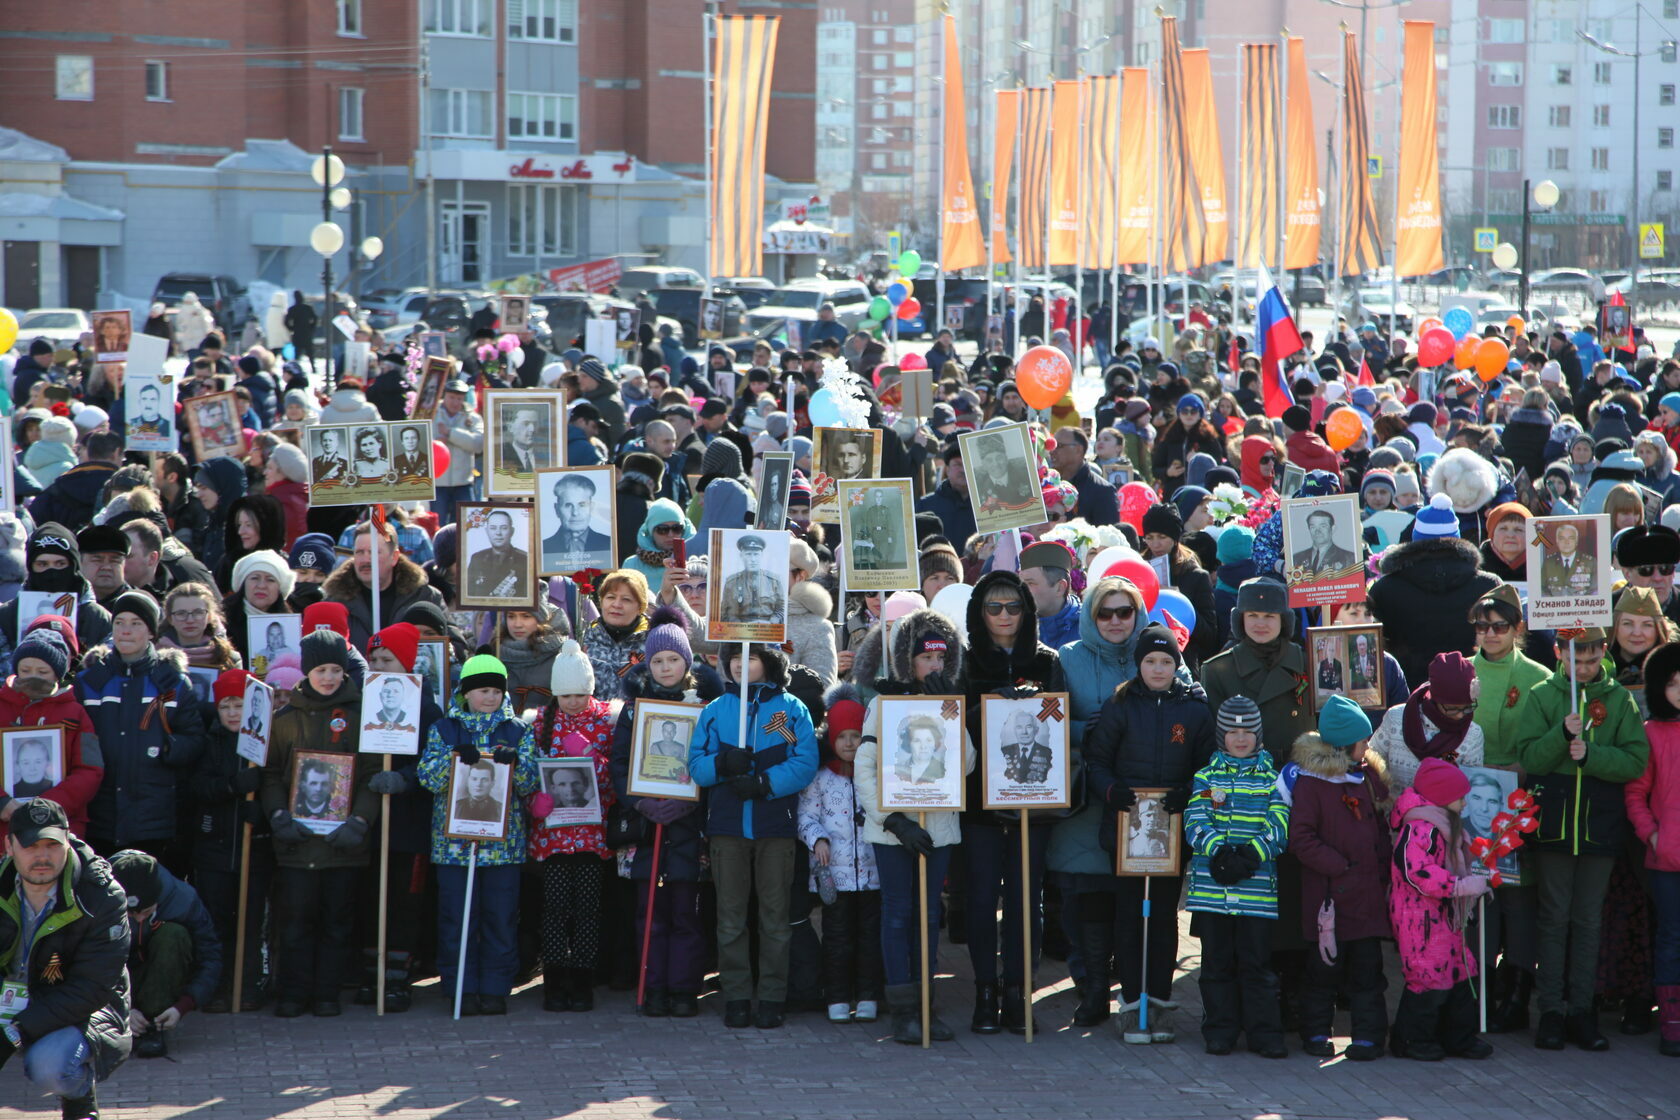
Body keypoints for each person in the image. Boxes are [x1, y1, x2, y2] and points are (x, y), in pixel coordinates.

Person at [1516, 627, 1649, 1051]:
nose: (1585, 669)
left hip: (1599, 826)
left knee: (1589, 922)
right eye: (1576, 662)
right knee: (1553, 919)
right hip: (1554, 825)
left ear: (1603, 654)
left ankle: (1582, 1009)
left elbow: (1635, 760)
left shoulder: (1619, 699)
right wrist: (1561, 734)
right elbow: (1530, 757)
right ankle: (1552, 1011)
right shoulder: (1541, 694)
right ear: (1559, 654)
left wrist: (1592, 755)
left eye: (1592, 661)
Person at [1085, 622, 1214, 1044]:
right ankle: (1131, 1002)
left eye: (1165, 662)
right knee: (1129, 917)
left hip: (1171, 832)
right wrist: (1111, 791)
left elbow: (1207, 768)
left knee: (1161, 916)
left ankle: (1158, 1003)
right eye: (1150, 661)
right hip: (1126, 830)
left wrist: (1188, 795)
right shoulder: (1120, 704)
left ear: (1176, 665)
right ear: (1138, 664)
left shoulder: (1193, 711)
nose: (1157, 669)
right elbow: (1097, 761)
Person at [853, 610, 974, 1045]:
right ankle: (902, 1010)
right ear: (909, 662)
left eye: (941, 660)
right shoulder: (883, 705)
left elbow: (966, 766)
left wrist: (953, 716)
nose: (934, 667)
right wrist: (894, 820)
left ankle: (927, 1005)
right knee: (897, 913)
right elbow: (864, 768)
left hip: (937, 828)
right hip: (893, 830)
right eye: (925, 659)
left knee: (927, 917)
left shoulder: (949, 704)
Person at [689, 643, 818, 1030]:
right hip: (727, 828)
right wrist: (722, 764)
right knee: (730, 917)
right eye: (735, 657)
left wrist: (765, 783)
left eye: (753, 657)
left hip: (775, 827)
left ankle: (773, 997)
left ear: (769, 662)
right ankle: (737, 996)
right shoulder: (714, 711)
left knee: (774, 917)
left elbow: (806, 761)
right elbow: (696, 766)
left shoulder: (791, 709)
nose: (742, 665)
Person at [958, 569, 1064, 1034]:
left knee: (1027, 901)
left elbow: (1060, 716)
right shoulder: (963, 663)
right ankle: (985, 991)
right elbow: (951, 726)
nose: (1004, 616)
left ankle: (1020, 992)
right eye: (994, 607)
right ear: (979, 613)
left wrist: (1034, 705)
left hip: (1032, 800)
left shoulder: (1046, 660)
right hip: (980, 801)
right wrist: (987, 708)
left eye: (1014, 606)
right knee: (980, 900)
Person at [260, 631, 378, 1018]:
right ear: (306, 670)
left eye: (335, 670)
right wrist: (278, 815)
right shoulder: (285, 718)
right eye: (320, 669)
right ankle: (294, 992)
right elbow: (272, 773)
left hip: (344, 846)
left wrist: (360, 820)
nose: (328, 677)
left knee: (337, 922)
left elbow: (371, 775)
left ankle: (327, 993)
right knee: (295, 922)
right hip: (296, 844)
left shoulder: (362, 716)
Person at [610, 607, 720, 1018]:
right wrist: (641, 801)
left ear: (687, 662)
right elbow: (620, 764)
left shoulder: (704, 707)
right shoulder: (635, 709)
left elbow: (708, 762)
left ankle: (683, 989)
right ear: (647, 664)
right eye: (657, 660)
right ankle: (652, 986)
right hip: (646, 828)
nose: (665, 667)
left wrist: (688, 801)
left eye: (673, 659)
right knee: (649, 914)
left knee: (685, 913)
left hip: (687, 828)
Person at [416, 654, 538, 1016]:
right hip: (454, 847)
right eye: (482, 690)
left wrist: (514, 763)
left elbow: (531, 781)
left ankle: (495, 988)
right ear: (466, 693)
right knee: (457, 917)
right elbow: (428, 777)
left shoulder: (518, 730)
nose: (490, 698)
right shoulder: (445, 729)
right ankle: (460, 988)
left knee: (500, 917)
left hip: (504, 847)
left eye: (496, 691)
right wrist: (454, 759)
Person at [0, 798, 132, 1120]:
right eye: (30, 846)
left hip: (83, 1006)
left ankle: (79, 1096)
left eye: (51, 845)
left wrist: (14, 1032)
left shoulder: (102, 895)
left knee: (49, 1067)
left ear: (68, 840)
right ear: (9, 845)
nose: (42, 856)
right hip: (10, 994)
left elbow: (92, 988)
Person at [1281, 696, 1391, 1060]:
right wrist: (1337, 864)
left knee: (1367, 971)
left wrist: (1381, 867)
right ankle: (1315, 1033)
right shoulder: (1312, 785)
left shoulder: (1368, 777)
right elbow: (1302, 838)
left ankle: (1369, 1036)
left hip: (1367, 896)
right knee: (1322, 971)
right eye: (1363, 740)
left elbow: (1380, 825)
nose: (1368, 746)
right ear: (1345, 745)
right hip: (1327, 896)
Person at [1184, 694, 1290, 1059]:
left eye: (1247, 733)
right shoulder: (1205, 776)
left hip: (1256, 891)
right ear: (1221, 736)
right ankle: (1220, 1029)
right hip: (1212, 890)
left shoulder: (1272, 779)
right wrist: (1218, 851)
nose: (1240, 739)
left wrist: (1250, 855)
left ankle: (1264, 1033)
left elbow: (1279, 826)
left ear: (1258, 737)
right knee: (1215, 964)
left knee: (1257, 965)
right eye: (1232, 732)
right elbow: (1194, 821)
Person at [76, 591, 206, 861]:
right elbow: (72, 739)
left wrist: (166, 749)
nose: (126, 631)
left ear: (151, 632)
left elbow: (194, 739)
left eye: (136, 623)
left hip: (154, 817)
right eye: (119, 622)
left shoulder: (172, 683)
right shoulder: (89, 681)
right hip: (100, 814)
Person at [1387, 758, 1495, 1062]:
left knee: (1461, 967)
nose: (1464, 803)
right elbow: (1416, 871)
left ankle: (1457, 1036)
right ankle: (1411, 1038)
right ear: (1443, 796)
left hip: (1444, 915)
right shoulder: (1420, 828)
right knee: (1428, 974)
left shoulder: (1444, 825)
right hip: (1418, 918)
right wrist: (1459, 887)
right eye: (1460, 797)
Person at [528, 640, 616, 1013]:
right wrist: (535, 800)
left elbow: (618, 777)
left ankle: (582, 979)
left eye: (580, 694)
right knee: (554, 908)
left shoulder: (606, 720)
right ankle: (554, 979)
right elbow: (528, 772)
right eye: (566, 695)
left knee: (588, 909)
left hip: (592, 835)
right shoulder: (541, 722)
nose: (574, 702)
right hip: (553, 835)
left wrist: (592, 757)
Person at [798, 683, 883, 1024]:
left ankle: (867, 995)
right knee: (836, 938)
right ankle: (836, 996)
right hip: (834, 874)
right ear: (831, 738)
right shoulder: (820, 779)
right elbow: (806, 815)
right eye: (842, 736)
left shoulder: (875, 776)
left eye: (856, 736)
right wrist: (817, 839)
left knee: (869, 939)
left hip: (873, 874)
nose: (849, 743)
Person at [108, 850, 222, 1060]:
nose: (140, 918)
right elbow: (86, 964)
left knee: (174, 934)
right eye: (132, 913)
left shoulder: (184, 900)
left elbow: (210, 957)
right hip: (116, 983)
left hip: (162, 975)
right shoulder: (96, 900)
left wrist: (184, 1005)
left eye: (147, 911)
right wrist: (122, 1008)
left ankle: (154, 1024)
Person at [1627, 642, 1680, 1056]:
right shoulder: (1651, 733)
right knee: (1670, 938)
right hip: (1667, 859)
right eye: (1673, 683)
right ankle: (1672, 1022)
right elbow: (1636, 794)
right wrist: (1653, 835)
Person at [0, 630, 101, 846]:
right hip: (4, 826)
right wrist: (2, 802)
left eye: (42, 671)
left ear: (57, 674)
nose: (33, 677)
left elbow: (90, 770)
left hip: (60, 826)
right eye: (25, 670)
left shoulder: (76, 713)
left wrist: (49, 806)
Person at [322, 519, 449, 650]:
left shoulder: (425, 596)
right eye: (359, 552)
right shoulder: (334, 601)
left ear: (394, 557)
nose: (365, 559)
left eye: (374, 552)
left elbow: (453, 643)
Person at [1370, 652, 1486, 794]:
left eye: (1467, 708)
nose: (1461, 715)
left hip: (1444, 814)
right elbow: (1371, 762)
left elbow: (1471, 789)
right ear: (1435, 700)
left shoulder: (1472, 734)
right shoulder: (1396, 719)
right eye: (1452, 709)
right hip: (1394, 811)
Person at [541, 473, 613, 572]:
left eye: (582, 504)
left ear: (591, 508)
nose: (575, 512)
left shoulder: (609, 545)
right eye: (568, 505)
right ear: (557, 509)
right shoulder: (543, 548)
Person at [717, 534, 784, 624]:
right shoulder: (731, 582)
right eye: (748, 554)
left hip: (769, 631)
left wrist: (771, 623)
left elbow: (781, 609)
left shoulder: (774, 581)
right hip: (739, 632)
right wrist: (742, 627)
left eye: (756, 554)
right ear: (741, 556)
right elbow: (725, 613)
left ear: (761, 555)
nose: (753, 559)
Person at [465, 510, 528, 603]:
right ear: (487, 531)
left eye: (504, 528)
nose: (498, 533)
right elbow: (468, 595)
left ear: (512, 531)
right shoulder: (477, 558)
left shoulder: (525, 560)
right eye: (493, 528)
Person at [1539, 520, 1598, 597]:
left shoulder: (1590, 562)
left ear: (1576, 541)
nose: (1566, 542)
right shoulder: (1549, 562)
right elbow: (1542, 588)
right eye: (1562, 538)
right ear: (1557, 541)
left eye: (1571, 538)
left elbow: (1594, 590)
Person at [1290, 508, 1357, 576]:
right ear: (1309, 529)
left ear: (1333, 529)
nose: (1317, 531)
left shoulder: (1349, 558)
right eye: (1313, 527)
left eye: (1323, 526)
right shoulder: (1296, 559)